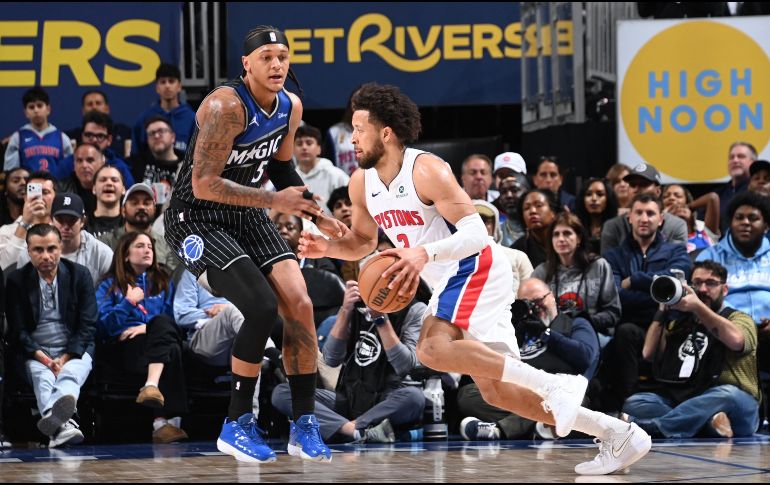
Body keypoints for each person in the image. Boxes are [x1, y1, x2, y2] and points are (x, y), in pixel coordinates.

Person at [299, 82, 651, 475]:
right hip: (452, 277)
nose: (353, 138)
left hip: (475, 265)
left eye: (359, 128)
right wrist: (326, 248)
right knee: (499, 391)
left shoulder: (426, 169)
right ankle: (617, 434)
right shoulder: (360, 182)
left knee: (431, 349)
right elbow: (362, 241)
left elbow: (475, 235)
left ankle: (558, 384)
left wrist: (423, 253)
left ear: (386, 133)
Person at [163, 25, 346, 463]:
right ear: (246, 64)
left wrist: (319, 215)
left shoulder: (290, 107)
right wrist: (273, 201)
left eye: (283, 55)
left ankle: (304, 425)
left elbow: (283, 172)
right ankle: (236, 423)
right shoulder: (225, 106)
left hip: (244, 212)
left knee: (299, 303)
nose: (277, 64)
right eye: (266, 56)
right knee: (262, 306)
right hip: (195, 217)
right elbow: (204, 185)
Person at [271, 281, 426, 444]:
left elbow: (405, 366)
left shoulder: (415, 310)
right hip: (349, 397)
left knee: (415, 398)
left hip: (388, 399)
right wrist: (345, 310)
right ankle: (354, 431)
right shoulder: (356, 306)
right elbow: (331, 359)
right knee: (283, 392)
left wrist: (381, 320)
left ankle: (343, 428)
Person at [623, 261, 760, 438]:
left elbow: (736, 341)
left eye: (710, 283)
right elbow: (648, 353)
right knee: (637, 402)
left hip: (739, 405)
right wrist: (662, 308)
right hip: (689, 400)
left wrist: (697, 307)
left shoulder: (740, 318)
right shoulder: (681, 323)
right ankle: (710, 424)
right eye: (697, 283)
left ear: (725, 289)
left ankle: (659, 427)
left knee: (727, 394)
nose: (703, 289)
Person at [459, 278, 601, 441]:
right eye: (528, 303)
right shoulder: (519, 329)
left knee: (573, 402)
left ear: (552, 296)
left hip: (561, 391)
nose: (536, 307)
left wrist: (546, 333)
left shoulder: (576, 322)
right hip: (519, 394)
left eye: (540, 300)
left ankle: (499, 429)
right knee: (468, 394)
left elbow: (585, 357)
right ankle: (541, 427)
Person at [5, 224, 97, 448]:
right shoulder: (17, 280)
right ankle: (64, 427)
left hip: (74, 349)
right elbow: (19, 332)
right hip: (36, 352)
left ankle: (53, 421)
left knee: (70, 375)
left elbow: (87, 326)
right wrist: (46, 360)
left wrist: (64, 359)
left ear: (61, 248)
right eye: (38, 250)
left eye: (51, 248)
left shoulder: (79, 275)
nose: (46, 256)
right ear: (28, 251)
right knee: (42, 377)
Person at [95, 231, 188, 443]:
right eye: (139, 246)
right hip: (124, 349)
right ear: (126, 255)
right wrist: (128, 302)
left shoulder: (163, 281)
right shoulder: (109, 285)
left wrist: (148, 328)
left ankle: (155, 396)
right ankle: (168, 422)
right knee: (169, 347)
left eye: (149, 246)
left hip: (154, 342)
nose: (147, 250)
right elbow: (102, 327)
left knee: (166, 335)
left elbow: (174, 322)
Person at [604, 193, 692, 408]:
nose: (644, 218)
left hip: (669, 326)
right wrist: (657, 291)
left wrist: (634, 280)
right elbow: (615, 296)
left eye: (650, 213)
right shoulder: (613, 256)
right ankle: (629, 406)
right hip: (630, 326)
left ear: (661, 219)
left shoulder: (677, 251)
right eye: (639, 213)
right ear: (629, 218)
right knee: (624, 332)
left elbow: (676, 288)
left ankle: (675, 403)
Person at [532, 212, 621, 342]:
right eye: (556, 234)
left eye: (567, 233)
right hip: (554, 336)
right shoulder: (542, 271)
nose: (561, 239)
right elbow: (531, 313)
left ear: (579, 238)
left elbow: (613, 312)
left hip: (593, 334)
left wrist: (581, 323)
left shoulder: (598, 266)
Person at [17, 193, 113, 285]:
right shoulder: (30, 252)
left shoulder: (102, 253)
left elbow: (110, 294)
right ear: (51, 219)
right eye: (60, 219)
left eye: (72, 220)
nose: (66, 226)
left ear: (82, 221)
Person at [600, 162, 688, 255]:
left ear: (658, 191)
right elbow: (609, 266)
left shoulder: (676, 226)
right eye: (633, 185)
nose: (636, 189)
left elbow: (676, 263)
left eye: (643, 184)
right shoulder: (613, 226)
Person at [100, 183, 178, 271]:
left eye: (147, 203)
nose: (141, 207)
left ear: (154, 209)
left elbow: (171, 280)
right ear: (123, 210)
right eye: (134, 203)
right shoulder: (105, 243)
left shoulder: (167, 246)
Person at [4, 87, 73, 174]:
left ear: (48, 109)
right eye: (31, 107)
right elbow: (11, 172)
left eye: (40, 105)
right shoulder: (18, 138)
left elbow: (69, 170)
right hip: (28, 186)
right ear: (26, 112)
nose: (36, 110)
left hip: (55, 186)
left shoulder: (62, 138)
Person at [131, 63, 196, 156]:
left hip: (182, 169)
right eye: (163, 82)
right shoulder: (144, 118)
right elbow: (136, 154)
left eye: (171, 81)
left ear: (179, 86)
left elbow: (196, 157)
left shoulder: (191, 119)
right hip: (151, 169)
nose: (167, 86)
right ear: (157, 87)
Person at [56, 111, 135, 187]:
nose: (94, 140)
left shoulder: (120, 168)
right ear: (82, 136)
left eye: (100, 136)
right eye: (89, 135)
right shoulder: (67, 165)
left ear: (109, 140)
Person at [473, 199, 533, 295]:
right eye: (474, 221)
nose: (480, 225)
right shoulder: (454, 261)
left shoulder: (518, 257)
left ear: (495, 225)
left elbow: (532, 294)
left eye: (484, 220)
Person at [0, 171, 57, 271]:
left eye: (45, 192)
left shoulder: (64, 230)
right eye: (34, 192)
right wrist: (25, 223)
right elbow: (5, 268)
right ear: (25, 197)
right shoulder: (5, 232)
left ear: (55, 197)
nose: (40, 197)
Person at [294, 124, 350, 213]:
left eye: (309, 143)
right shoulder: (289, 180)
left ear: (319, 149)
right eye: (299, 144)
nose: (304, 147)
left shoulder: (336, 175)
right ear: (293, 149)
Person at [66, 90, 132, 157]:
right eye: (90, 104)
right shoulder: (70, 137)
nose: (94, 107)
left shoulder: (124, 132)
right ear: (83, 111)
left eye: (98, 103)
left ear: (107, 109)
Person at [128, 116, 183, 196]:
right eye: (152, 133)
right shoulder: (136, 163)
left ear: (173, 137)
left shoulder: (186, 166)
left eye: (161, 131)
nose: (156, 136)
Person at [662, 184, 720, 255]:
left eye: (678, 196)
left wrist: (688, 206)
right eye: (665, 196)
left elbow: (712, 198)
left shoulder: (702, 229)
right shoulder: (659, 233)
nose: (671, 198)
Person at [715, 142, 756, 234]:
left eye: (741, 156)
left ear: (753, 162)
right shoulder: (717, 195)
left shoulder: (759, 192)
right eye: (731, 157)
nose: (735, 160)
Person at [512, 189, 559, 268]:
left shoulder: (566, 240)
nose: (532, 211)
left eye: (539, 205)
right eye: (526, 208)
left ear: (553, 212)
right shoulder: (517, 250)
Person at [57, 143, 103, 218]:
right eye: (79, 161)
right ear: (74, 165)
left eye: (90, 160)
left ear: (101, 163)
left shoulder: (109, 189)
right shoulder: (61, 190)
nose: (84, 165)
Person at [575, 178, 618, 255]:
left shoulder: (617, 227)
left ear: (608, 199)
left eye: (600, 194)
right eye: (588, 194)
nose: (594, 199)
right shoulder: (576, 227)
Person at [324, 86, 360, 176]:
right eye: (356, 101)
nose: (359, 104)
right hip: (343, 185)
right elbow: (329, 164)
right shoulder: (334, 132)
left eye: (364, 101)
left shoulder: (378, 131)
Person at [86, 165, 126, 239]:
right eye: (103, 180)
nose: (109, 183)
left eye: (114, 180)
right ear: (94, 189)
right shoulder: (83, 224)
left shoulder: (129, 224)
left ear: (123, 189)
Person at [494, 176, 528, 247]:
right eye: (503, 192)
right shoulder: (496, 233)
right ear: (499, 200)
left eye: (514, 190)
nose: (508, 196)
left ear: (527, 194)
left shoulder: (539, 226)